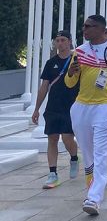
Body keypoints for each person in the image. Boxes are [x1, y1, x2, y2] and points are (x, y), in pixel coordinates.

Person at [64, 14, 107, 215]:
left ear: (101, 29)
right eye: (84, 26)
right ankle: (91, 188)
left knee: (102, 153)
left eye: (89, 26)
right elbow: (69, 83)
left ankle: (94, 198)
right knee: (88, 153)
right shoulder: (80, 51)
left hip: (104, 106)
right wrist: (72, 72)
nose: (84, 29)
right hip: (81, 107)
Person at [32, 30, 79, 188]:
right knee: (52, 138)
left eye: (63, 40)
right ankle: (52, 173)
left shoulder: (76, 60)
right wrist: (37, 108)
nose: (60, 43)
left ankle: (74, 157)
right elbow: (44, 86)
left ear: (69, 41)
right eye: (57, 40)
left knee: (67, 138)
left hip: (71, 106)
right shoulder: (50, 63)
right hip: (53, 106)